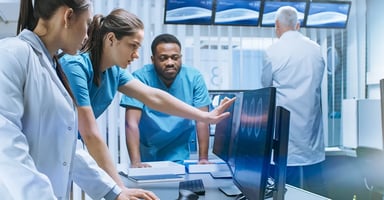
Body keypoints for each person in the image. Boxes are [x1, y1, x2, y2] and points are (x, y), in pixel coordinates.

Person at [59, 8, 234, 188]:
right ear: (111, 39)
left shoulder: (114, 72)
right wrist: (120, 189)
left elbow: (153, 97)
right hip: (49, 146)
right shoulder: (75, 66)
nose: (136, 54)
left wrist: (205, 116)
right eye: (133, 46)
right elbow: (90, 133)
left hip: (68, 148)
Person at [0, 0, 158, 199]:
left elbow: (67, 147)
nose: (87, 35)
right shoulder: (12, 53)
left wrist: (115, 192)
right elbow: (5, 147)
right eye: (87, 24)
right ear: (68, 17)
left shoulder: (53, 67)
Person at [261, 6, 327, 196]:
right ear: (298, 25)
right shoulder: (316, 49)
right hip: (311, 135)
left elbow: (267, 89)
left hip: (285, 136)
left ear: (276, 25)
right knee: (317, 190)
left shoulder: (272, 52)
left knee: (285, 190)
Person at [120, 33, 211, 167]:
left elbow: (202, 120)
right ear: (153, 59)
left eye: (175, 58)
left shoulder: (194, 78)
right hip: (148, 151)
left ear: (180, 57)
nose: (170, 63)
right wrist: (135, 162)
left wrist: (203, 158)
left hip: (178, 151)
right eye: (163, 58)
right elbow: (131, 123)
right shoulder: (140, 78)